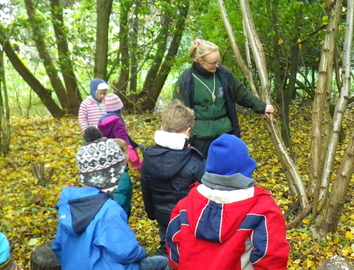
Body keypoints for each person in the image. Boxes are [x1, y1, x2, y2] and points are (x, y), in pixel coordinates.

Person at [51, 128, 171, 270]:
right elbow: (128, 253)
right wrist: (140, 253)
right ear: (114, 174)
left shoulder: (67, 205)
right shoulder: (109, 209)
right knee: (164, 262)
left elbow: (58, 246)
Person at [166, 133, 290, 270]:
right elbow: (272, 260)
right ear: (246, 165)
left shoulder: (185, 204)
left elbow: (174, 252)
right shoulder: (263, 209)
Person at [173, 39, 274, 157]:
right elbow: (177, 111)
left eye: (218, 61)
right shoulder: (186, 80)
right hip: (200, 140)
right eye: (213, 63)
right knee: (202, 173)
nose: (217, 65)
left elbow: (241, 93)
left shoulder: (223, 74)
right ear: (201, 61)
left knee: (227, 171)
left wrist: (262, 107)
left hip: (225, 136)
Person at [140, 100, 205, 256]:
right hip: (188, 219)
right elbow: (202, 195)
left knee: (166, 247)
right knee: (188, 253)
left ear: (162, 128)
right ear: (188, 131)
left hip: (162, 215)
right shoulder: (196, 160)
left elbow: (145, 189)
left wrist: (152, 213)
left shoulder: (149, 156)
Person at [98, 93, 142, 170]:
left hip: (104, 153)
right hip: (118, 155)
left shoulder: (100, 121)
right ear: (119, 110)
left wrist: (136, 145)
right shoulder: (117, 122)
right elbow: (125, 141)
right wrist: (137, 163)